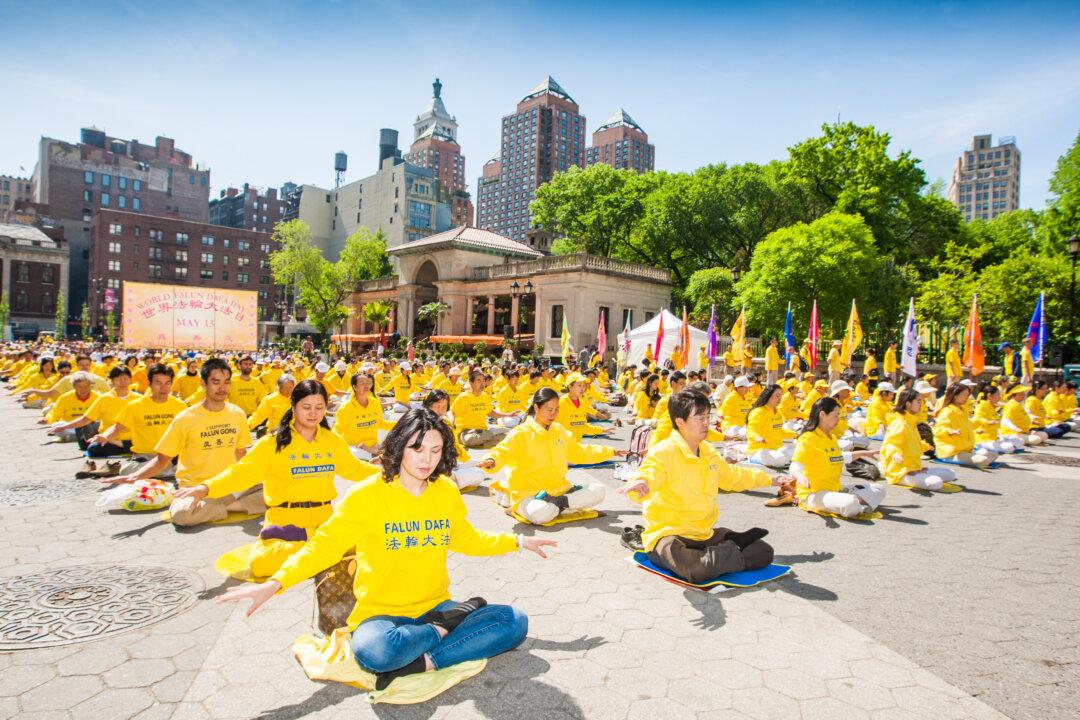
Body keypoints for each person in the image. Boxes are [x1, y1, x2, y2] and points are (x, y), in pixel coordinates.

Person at [214, 408, 555, 691]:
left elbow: (467, 539)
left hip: (435, 603)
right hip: (381, 615)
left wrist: (519, 541)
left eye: (436, 451)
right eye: (417, 449)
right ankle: (443, 629)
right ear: (399, 447)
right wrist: (274, 584)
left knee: (513, 622)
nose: (427, 460)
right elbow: (325, 546)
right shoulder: (366, 495)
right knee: (375, 653)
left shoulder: (446, 493)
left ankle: (425, 659)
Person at [173, 380, 380, 577]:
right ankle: (318, 548)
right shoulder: (273, 443)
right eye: (306, 406)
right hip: (283, 520)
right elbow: (240, 473)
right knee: (261, 563)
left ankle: (309, 540)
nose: (313, 413)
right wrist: (205, 488)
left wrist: (388, 471)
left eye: (319, 407)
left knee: (367, 542)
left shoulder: (332, 441)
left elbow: (354, 469)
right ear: (293, 406)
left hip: (323, 517)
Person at [619, 390, 786, 583]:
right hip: (669, 535)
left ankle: (723, 551)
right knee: (697, 570)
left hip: (704, 533)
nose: (707, 423)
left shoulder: (708, 451)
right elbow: (649, 472)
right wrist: (642, 483)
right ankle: (731, 547)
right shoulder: (663, 451)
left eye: (708, 416)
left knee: (763, 552)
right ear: (680, 422)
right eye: (700, 418)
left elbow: (733, 476)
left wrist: (770, 479)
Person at [110, 358, 265, 526]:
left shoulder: (237, 414)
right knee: (183, 516)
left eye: (226, 382)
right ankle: (230, 505)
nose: (222, 388)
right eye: (216, 382)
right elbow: (162, 460)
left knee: (278, 492)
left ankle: (221, 504)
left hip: (229, 483)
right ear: (203, 384)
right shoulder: (185, 418)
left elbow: (240, 454)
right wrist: (134, 477)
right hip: (194, 486)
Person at [478, 388, 624, 525]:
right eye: (549, 409)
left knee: (599, 491)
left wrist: (610, 451)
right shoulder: (521, 432)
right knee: (540, 514)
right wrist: (492, 459)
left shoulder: (559, 431)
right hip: (529, 493)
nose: (553, 414)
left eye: (556, 410)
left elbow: (580, 452)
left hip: (559, 490)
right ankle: (555, 506)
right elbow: (502, 450)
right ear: (536, 408)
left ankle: (560, 504)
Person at [88, 363, 187, 477]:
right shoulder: (135, 406)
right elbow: (117, 427)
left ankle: (157, 471)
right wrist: (105, 436)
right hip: (145, 457)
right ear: (149, 384)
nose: (163, 388)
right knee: (125, 471)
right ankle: (165, 471)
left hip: (171, 455)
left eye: (167, 383)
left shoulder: (180, 405)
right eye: (158, 383)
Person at [790, 397, 883, 518]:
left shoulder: (831, 437)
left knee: (879, 490)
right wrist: (800, 476)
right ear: (822, 415)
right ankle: (858, 504)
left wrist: (864, 453)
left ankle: (855, 503)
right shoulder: (808, 438)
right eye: (835, 415)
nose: (838, 420)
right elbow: (794, 466)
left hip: (835, 489)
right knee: (849, 503)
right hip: (814, 493)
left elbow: (839, 457)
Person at [47, 366, 137, 455]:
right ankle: (125, 447)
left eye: (125, 379)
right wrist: (64, 427)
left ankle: (122, 445)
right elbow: (86, 419)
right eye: (118, 379)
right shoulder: (104, 398)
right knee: (93, 449)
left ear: (130, 380)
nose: (122, 382)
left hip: (131, 437)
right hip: (107, 437)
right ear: (112, 381)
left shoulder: (138, 398)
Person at [879, 389, 956, 490]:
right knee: (936, 483)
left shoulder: (910, 421)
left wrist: (927, 446)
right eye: (918, 401)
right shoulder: (900, 423)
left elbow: (912, 442)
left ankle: (917, 474)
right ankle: (897, 475)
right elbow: (891, 443)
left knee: (951, 474)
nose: (921, 404)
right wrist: (894, 453)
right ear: (908, 404)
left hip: (915, 468)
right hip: (901, 470)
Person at [333, 371, 396, 460]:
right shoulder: (346, 408)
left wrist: (401, 423)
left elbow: (380, 423)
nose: (366, 386)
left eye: (367, 383)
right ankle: (374, 454)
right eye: (362, 383)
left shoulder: (374, 402)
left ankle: (374, 453)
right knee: (359, 455)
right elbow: (336, 431)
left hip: (372, 445)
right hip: (354, 447)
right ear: (354, 387)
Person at [933, 383, 997, 467]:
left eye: (967, 395)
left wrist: (985, 423)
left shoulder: (961, 409)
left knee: (994, 454)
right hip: (951, 451)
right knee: (983, 460)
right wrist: (949, 431)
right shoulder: (948, 411)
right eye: (964, 395)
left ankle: (974, 457)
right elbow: (938, 429)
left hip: (964, 449)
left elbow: (969, 424)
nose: (967, 397)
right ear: (955, 396)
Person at [450, 371, 515, 448]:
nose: (482, 383)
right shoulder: (463, 397)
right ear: (471, 383)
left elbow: (491, 412)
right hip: (467, 432)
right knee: (470, 439)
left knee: (510, 435)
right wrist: (450, 422)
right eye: (478, 380)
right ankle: (493, 438)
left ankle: (488, 440)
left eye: (483, 380)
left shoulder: (484, 396)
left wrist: (508, 414)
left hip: (482, 430)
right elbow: (451, 412)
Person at [745, 384, 794, 468]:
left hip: (776, 449)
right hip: (759, 450)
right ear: (768, 396)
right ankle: (751, 458)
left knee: (798, 451)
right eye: (777, 396)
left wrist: (795, 435)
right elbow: (751, 431)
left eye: (781, 396)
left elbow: (779, 431)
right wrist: (757, 437)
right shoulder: (758, 412)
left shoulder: (777, 413)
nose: (780, 399)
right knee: (780, 459)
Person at [972, 383, 1022, 454]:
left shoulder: (991, 406)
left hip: (995, 437)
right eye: (997, 394)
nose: (999, 396)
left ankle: (996, 446)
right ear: (989, 396)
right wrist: (988, 422)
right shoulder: (981, 406)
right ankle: (981, 447)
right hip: (984, 439)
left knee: (1019, 441)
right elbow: (977, 419)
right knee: (1009, 447)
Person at [719, 375, 754, 439]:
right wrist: (721, 415)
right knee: (743, 435)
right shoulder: (731, 398)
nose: (747, 389)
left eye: (748, 387)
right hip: (731, 426)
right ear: (738, 388)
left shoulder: (745, 397)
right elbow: (721, 412)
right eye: (745, 387)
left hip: (743, 426)